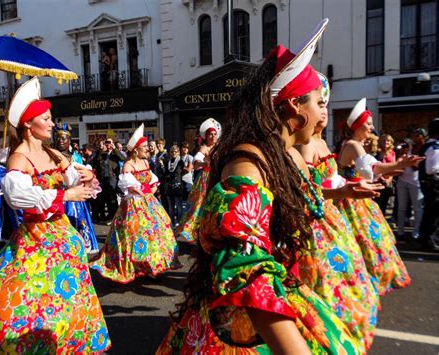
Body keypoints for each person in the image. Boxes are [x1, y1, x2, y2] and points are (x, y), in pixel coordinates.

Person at [158, 18, 360, 354]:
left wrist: (342, 192)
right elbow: (246, 273)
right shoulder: (249, 166)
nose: (324, 113)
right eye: (317, 103)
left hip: (289, 297)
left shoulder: (284, 156)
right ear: (295, 105)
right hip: (248, 326)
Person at [0, 77, 110, 352]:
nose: (53, 124)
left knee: (66, 293)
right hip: (36, 235)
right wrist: (64, 195)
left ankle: (66, 340)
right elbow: (16, 197)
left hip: (63, 233)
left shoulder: (53, 153)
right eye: (46, 118)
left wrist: (87, 176)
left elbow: (78, 181)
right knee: (25, 290)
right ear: (29, 125)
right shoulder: (19, 158)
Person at [295, 73, 380, 350]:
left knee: (350, 284)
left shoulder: (320, 143)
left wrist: (349, 186)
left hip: (331, 220)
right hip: (315, 225)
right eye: (319, 104)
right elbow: (304, 192)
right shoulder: (304, 144)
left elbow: (330, 180)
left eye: (325, 104)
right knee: (324, 285)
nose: (324, 110)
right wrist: (342, 192)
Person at [336, 98, 422, 295]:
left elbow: (371, 171)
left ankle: (364, 282)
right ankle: (364, 283)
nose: (372, 127)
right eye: (368, 124)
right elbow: (371, 169)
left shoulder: (353, 145)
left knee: (366, 242)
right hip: (352, 201)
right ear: (357, 126)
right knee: (364, 242)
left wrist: (393, 169)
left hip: (358, 200)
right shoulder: (352, 145)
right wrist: (398, 165)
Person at [91, 124, 180, 283]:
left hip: (149, 203)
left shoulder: (145, 163)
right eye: (144, 146)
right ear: (136, 149)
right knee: (134, 234)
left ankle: (153, 264)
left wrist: (151, 188)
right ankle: (135, 265)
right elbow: (129, 187)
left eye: (147, 146)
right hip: (134, 205)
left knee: (158, 231)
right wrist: (140, 189)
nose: (148, 149)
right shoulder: (128, 165)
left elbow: (152, 181)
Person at [54, 123, 100, 254]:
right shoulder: (52, 156)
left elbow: (83, 173)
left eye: (64, 138)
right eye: (58, 138)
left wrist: (89, 176)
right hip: (61, 197)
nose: (60, 140)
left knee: (80, 225)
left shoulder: (75, 157)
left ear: (69, 140)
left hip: (77, 199)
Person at [175, 118, 221, 243]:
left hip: (218, 177)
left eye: (214, 134)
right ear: (206, 136)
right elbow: (195, 164)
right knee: (199, 206)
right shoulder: (204, 148)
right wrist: (204, 162)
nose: (212, 136)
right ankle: (196, 232)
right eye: (210, 134)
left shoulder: (220, 147)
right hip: (206, 180)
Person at [396, 139, 423, 240]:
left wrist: (408, 160)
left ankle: (416, 233)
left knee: (417, 208)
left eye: (406, 146)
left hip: (414, 182)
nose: (404, 148)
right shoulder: (399, 154)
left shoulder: (416, 154)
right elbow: (397, 169)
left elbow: (417, 167)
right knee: (401, 208)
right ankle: (400, 231)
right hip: (402, 182)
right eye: (403, 146)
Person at [418, 118, 439, 251]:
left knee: (430, 213)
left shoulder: (429, 145)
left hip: (430, 185)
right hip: (435, 185)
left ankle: (426, 239)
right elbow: (432, 169)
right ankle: (430, 241)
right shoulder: (435, 146)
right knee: (434, 214)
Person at [94, 137, 126, 222]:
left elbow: (123, 158)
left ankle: (114, 216)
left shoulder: (115, 154)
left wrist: (114, 148)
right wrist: (100, 150)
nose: (108, 144)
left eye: (110, 142)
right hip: (103, 178)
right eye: (106, 143)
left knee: (112, 198)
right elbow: (96, 161)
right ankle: (108, 216)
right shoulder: (103, 154)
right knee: (104, 198)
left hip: (113, 178)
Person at [164, 145, 185, 226]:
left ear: (178, 152)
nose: (173, 153)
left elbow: (181, 172)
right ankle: (172, 223)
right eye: (172, 151)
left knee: (179, 206)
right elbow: (166, 173)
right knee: (171, 207)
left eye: (175, 151)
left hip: (177, 186)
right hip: (169, 187)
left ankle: (180, 223)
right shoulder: (167, 162)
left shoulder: (180, 162)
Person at [375, 134, 396, 214]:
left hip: (387, 181)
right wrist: (381, 177)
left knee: (384, 203)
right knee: (377, 202)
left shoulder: (392, 153)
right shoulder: (377, 151)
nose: (386, 142)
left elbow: (393, 166)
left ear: (391, 142)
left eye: (388, 141)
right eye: (384, 140)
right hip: (378, 179)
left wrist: (389, 179)